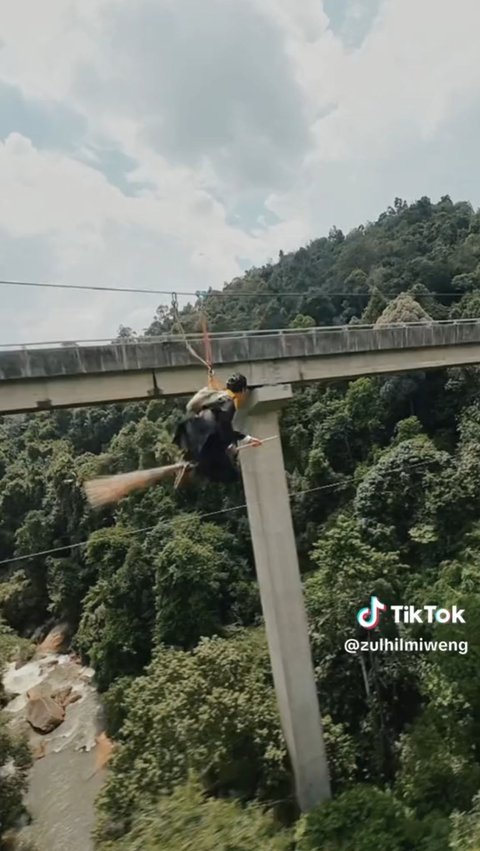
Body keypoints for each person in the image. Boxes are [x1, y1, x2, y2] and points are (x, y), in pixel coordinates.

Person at [173, 373, 262, 484]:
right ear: (243, 391)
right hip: (207, 437)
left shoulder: (218, 395)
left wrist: (244, 439)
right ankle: (194, 469)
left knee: (206, 457)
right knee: (231, 475)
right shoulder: (230, 403)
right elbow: (224, 428)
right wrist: (240, 441)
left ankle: (188, 463)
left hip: (190, 430)